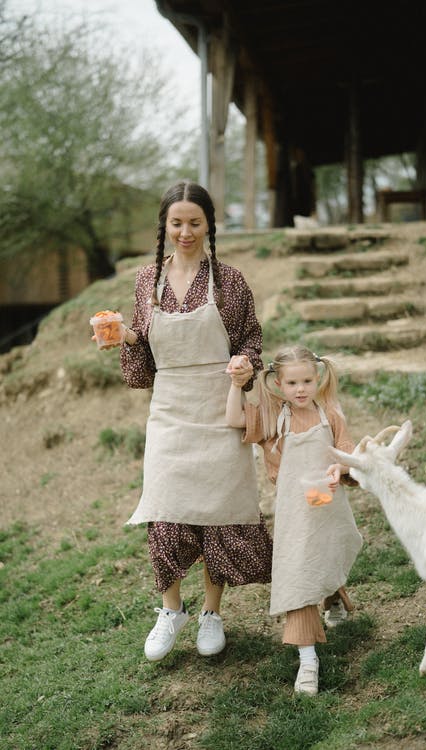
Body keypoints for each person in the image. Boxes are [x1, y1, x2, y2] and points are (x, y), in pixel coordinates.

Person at [115, 180, 273, 662]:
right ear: (165, 226)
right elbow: (143, 366)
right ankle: (171, 610)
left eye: (195, 222)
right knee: (164, 508)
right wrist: (125, 338)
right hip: (170, 411)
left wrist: (245, 366)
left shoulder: (230, 281)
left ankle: (211, 613)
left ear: (209, 225)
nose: (186, 231)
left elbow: (250, 339)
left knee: (218, 512)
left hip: (219, 408)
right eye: (177, 223)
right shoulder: (147, 282)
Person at [226, 345, 362, 695]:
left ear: (318, 379)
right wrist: (236, 385)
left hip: (327, 503)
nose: (300, 389)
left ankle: (332, 595)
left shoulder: (329, 412)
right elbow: (234, 420)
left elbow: (347, 449)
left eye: (306, 381)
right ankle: (308, 660)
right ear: (278, 384)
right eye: (291, 383)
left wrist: (341, 466)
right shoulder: (275, 416)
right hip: (293, 513)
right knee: (298, 573)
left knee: (325, 553)